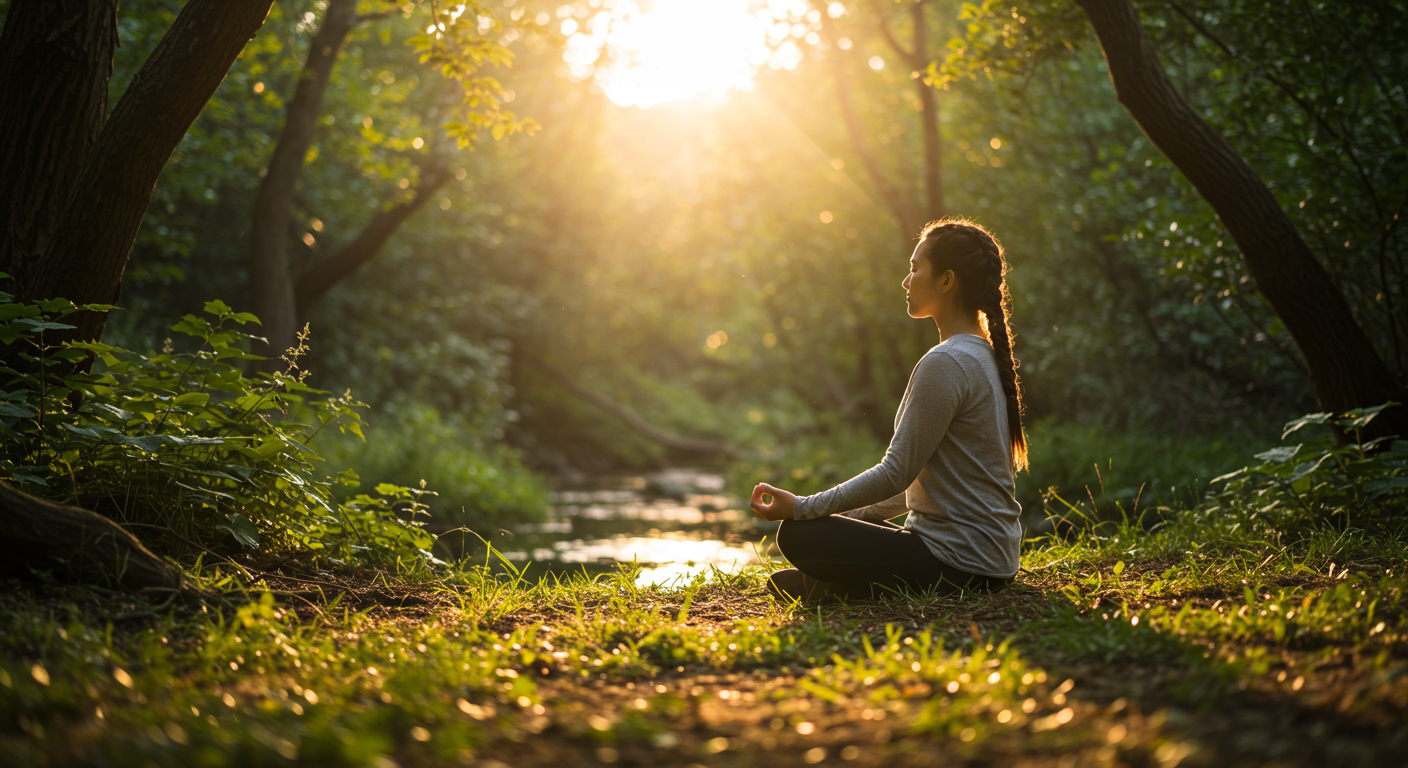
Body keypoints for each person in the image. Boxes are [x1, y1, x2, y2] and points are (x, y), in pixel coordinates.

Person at [749, 218, 1027, 602]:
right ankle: (841, 585)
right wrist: (849, 519)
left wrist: (803, 508)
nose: (906, 280)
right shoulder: (982, 356)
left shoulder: (946, 362)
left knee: (799, 533)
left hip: (960, 563)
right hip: (991, 560)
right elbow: (919, 482)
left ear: (947, 281)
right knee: (824, 526)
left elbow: (896, 473)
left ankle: (844, 587)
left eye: (915, 268)